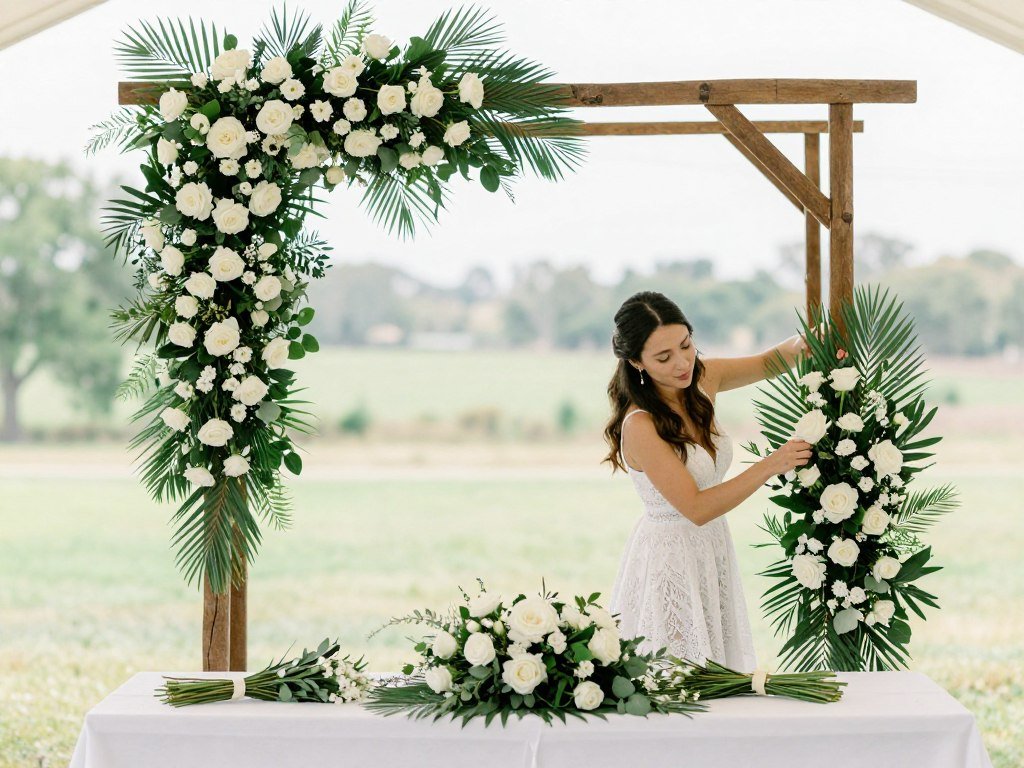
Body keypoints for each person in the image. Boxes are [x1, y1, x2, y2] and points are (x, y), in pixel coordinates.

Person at [604, 291, 812, 670]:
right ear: (636, 362)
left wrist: (808, 343)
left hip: (711, 546)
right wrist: (771, 464)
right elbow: (696, 508)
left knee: (718, 673)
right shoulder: (641, 425)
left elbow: (770, 361)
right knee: (679, 677)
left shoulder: (703, 377)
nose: (683, 362)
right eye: (664, 358)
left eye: (686, 345)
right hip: (670, 555)